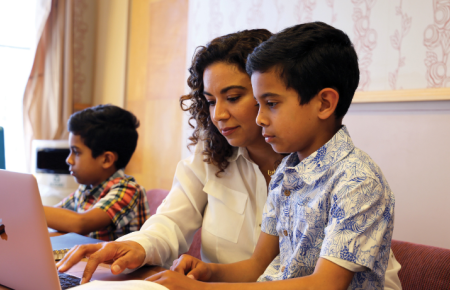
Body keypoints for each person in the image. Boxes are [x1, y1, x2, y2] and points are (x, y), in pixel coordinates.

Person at [56, 29, 401, 289]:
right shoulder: (287, 173)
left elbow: (324, 284)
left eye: (237, 97)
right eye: (208, 100)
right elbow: (252, 266)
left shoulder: (355, 179)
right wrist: (202, 271)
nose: (218, 114)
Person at [44, 104, 150, 241]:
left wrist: (30, 209)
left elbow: (81, 223)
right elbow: (57, 215)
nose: (68, 160)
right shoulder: (87, 188)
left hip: (114, 263)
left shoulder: (128, 191)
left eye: (76, 152)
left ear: (106, 159)